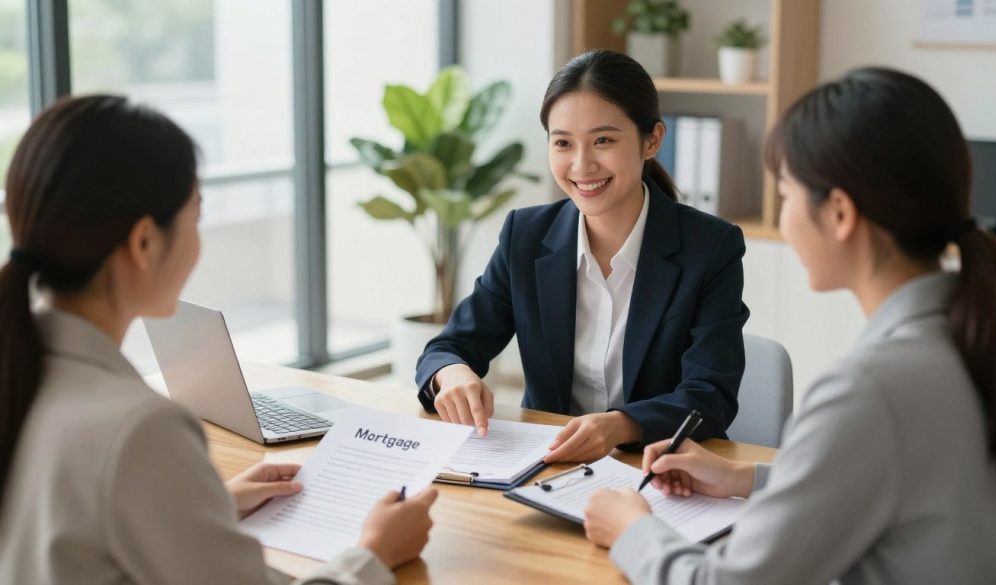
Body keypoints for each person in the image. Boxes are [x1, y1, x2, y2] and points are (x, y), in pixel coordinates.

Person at [582, 67, 996, 584]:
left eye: (787, 194)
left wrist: (633, 529)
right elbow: (904, 485)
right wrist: (749, 478)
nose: (784, 217)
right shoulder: (981, 336)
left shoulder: (870, 391)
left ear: (839, 213)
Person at [0, 95, 438, 585]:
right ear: (145, 243)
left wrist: (203, 507)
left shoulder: (23, 371)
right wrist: (375, 552)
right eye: (197, 213)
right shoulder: (140, 429)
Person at [415, 49, 749, 462]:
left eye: (603, 140)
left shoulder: (710, 247)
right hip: (546, 467)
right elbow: (448, 347)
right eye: (563, 143)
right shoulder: (526, 236)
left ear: (652, 141)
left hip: (656, 468)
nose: (581, 164)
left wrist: (621, 424)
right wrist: (452, 374)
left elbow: (710, 396)